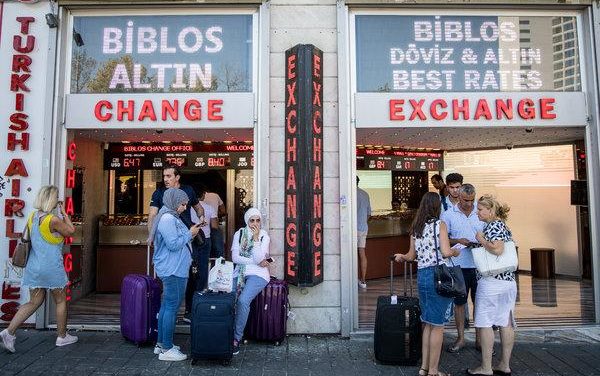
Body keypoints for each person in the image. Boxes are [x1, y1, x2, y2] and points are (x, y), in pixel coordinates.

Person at [0, 185, 77, 353]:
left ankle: (9, 332)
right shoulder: (53, 220)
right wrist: (64, 213)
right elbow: (71, 231)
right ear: (51, 200)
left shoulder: (33, 217)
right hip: (51, 267)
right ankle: (62, 337)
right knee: (61, 300)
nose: (58, 200)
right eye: (56, 198)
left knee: (34, 301)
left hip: (34, 267)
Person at [394, 192, 459, 376]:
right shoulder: (440, 225)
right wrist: (455, 252)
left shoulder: (416, 228)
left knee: (428, 323)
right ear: (437, 207)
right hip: (438, 276)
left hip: (422, 276)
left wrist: (400, 257)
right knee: (437, 325)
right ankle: (434, 370)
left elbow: (410, 256)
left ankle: (424, 368)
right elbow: (445, 252)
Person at [147, 165, 205, 323]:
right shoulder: (159, 194)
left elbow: (198, 208)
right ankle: (166, 315)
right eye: (164, 176)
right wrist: (152, 236)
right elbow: (152, 215)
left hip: (188, 239)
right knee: (171, 280)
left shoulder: (188, 190)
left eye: (169, 176)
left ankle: (187, 311)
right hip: (173, 240)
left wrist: (201, 219)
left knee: (192, 274)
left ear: (177, 177)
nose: (165, 179)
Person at [150, 188, 201, 361]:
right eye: (182, 204)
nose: (185, 208)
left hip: (174, 267)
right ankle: (167, 348)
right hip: (173, 269)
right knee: (171, 306)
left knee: (167, 306)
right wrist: (190, 233)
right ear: (173, 202)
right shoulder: (167, 219)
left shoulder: (170, 217)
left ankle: (161, 344)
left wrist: (189, 234)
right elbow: (173, 244)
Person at [467, 195, 516, 376]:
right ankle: (504, 364)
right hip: (507, 281)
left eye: (480, 209)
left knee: (485, 322)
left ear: (490, 210)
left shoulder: (494, 225)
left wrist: (480, 239)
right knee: (505, 321)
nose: (477, 212)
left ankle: (486, 367)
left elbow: (497, 248)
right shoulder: (502, 225)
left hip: (492, 282)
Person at [441, 183, 485, 353]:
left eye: (472, 200)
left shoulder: (480, 212)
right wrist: (458, 240)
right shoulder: (448, 214)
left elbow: (489, 236)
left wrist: (480, 241)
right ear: (458, 197)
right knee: (459, 303)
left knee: (479, 303)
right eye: (466, 200)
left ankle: (480, 339)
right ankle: (460, 338)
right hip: (458, 265)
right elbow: (443, 238)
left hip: (479, 265)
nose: (469, 203)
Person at [231, 208, 271, 355]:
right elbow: (235, 258)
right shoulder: (239, 233)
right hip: (239, 273)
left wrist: (255, 239)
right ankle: (224, 333)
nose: (255, 223)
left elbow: (261, 260)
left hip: (259, 275)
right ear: (247, 221)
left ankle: (236, 338)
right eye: (252, 220)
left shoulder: (264, 236)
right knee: (229, 298)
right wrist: (255, 261)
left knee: (242, 301)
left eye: (258, 220)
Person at [183, 186, 219, 322]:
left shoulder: (186, 207)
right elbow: (215, 227)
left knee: (191, 274)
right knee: (202, 274)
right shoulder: (208, 207)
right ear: (203, 194)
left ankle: (188, 309)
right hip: (204, 241)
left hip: (190, 241)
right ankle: (198, 307)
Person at [202, 187, 226, 258]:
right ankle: (220, 263)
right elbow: (223, 211)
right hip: (213, 223)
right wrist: (216, 214)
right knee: (218, 248)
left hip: (199, 225)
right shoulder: (215, 195)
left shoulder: (195, 200)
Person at [356, 176, 372, 289]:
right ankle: (363, 281)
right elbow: (369, 214)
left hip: (352, 230)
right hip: (363, 228)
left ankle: (351, 279)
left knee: (350, 255)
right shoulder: (365, 194)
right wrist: (363, 222)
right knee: (362, 254)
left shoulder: (350, 193)